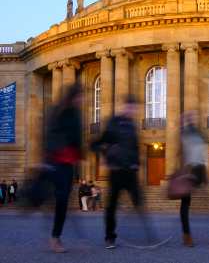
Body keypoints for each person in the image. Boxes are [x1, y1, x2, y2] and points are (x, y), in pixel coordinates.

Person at [91, 95, 152, 249]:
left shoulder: (132, 126)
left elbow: (136, 148)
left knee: (139, 203)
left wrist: (136, 164)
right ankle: (110, 238)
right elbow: (97, 144)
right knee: (111, 206)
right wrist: (106, 157)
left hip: (130, 172)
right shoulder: (113, 123)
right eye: (132, 108)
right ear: (126, 107)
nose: (133, 111)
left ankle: (150, 236)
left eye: (135, 109)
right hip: (116, 171)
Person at [35, 83, 83, 253]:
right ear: (72, 97)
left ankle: (55, 236)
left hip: (68, 164)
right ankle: (54, 233)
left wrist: (79, 157)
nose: (81, 100)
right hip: (54, 161)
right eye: (79, 97)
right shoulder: (57, 111)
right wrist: (44, 158)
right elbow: (48, 135)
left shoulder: (76, 115)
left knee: (62, 201)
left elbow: (78, 139)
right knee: (49, 196)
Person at [179, 111, 208, 247]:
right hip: (190, 170)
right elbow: (184, 153)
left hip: (198, 169)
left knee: (186, 204)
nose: (192, 119)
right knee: (185, 204)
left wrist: (205, 177)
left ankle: (188, 235)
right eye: (190, 117)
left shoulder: (195, 133)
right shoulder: (187, 133)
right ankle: (187, 235)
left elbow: (201, 155)